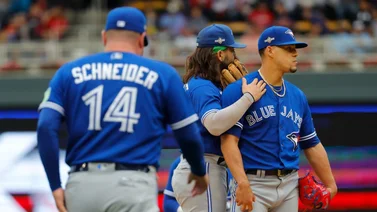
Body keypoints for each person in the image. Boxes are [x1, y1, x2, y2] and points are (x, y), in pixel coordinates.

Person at [37, 7, 208, 212]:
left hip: (81, 185)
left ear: (104, 37)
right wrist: (198, 170)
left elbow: (46, 126)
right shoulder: (162, 74)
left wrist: (55, 185)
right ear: (141, 39)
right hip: (132, 185)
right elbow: (188, 134)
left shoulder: (68, 72)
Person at [221, 26, 337, 212]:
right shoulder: (240, 89)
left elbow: (311, 143)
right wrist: (241, 182)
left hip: (290, 184)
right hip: (253, 183)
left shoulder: (297, 96)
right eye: (289, 49)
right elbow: (228, 142)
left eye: (295, 49)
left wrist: (331, 185)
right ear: (270, 50)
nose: (295, 54)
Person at [171, 24, 266, 212]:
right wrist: (248, 97)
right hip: (204, 166)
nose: (235, 57)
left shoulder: (203, 84)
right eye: (232, 51)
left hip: (208, 166)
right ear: (220, 54)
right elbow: (214, 125)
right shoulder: (202, 86)